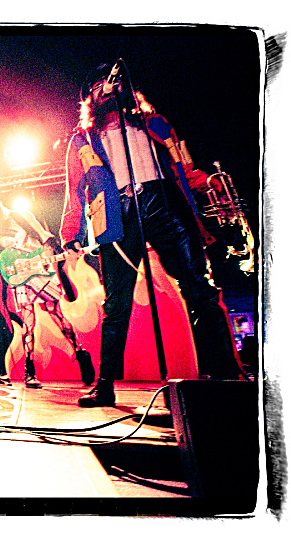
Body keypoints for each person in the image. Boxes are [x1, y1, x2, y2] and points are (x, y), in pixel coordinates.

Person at [59, 62, 243, 407]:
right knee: (116, 304)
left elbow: (184, 167)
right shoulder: (82, 139)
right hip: (115, 214)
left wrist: (207, 181)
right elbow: (75, 189)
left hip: (163, 203)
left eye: (112, 82)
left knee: (199, 287)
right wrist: (70, 231)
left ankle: (224, 374)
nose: (107, 87)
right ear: (90, 99)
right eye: (98, 85)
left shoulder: (154, 124)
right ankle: (104, 385)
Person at [0, 196, 95, 389]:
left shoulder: (20, 215)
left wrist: (49, 252)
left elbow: (44, 236)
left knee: (57, 315)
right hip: (20, 277)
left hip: (40, 271)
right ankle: (30, 371)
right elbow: (2, 260)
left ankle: (80, 353)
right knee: (28, 323)